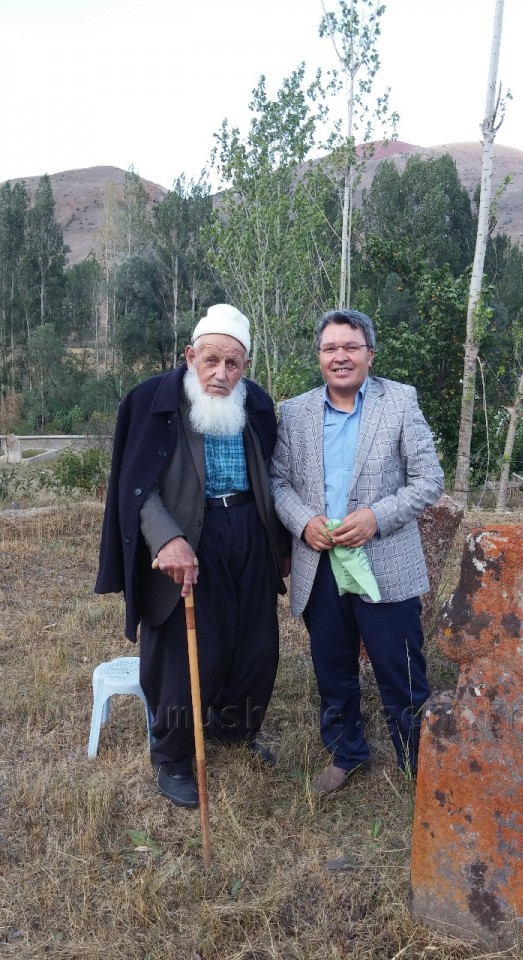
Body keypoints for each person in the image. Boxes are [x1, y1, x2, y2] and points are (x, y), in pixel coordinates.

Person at [95, 304, 288, 808]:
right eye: (211, 360)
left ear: (245, 366)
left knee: (254, 643)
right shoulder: (152, 401)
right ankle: (174, 757)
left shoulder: (257, 404)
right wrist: (166, 539)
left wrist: (279, 544)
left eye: (233, 363)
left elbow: (273, 476)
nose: (221, 373)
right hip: (186, 531)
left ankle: (232, 729)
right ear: (190, 356)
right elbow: (136, 487)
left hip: (248, 529)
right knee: (184, 652)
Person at [270, 308, 444, 794]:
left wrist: (376, 517)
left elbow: (429, 480)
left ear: (370, 354)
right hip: (320, 563)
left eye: (351, 346)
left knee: (400, 668)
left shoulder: (400, 402)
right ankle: (347, 752)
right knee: (332, 666)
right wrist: (303, 522)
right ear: (319, 356)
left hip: (384, 562)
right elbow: (277, 481)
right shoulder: (295, 412)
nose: (340, 356)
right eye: (330, 348)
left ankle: (417, 760)